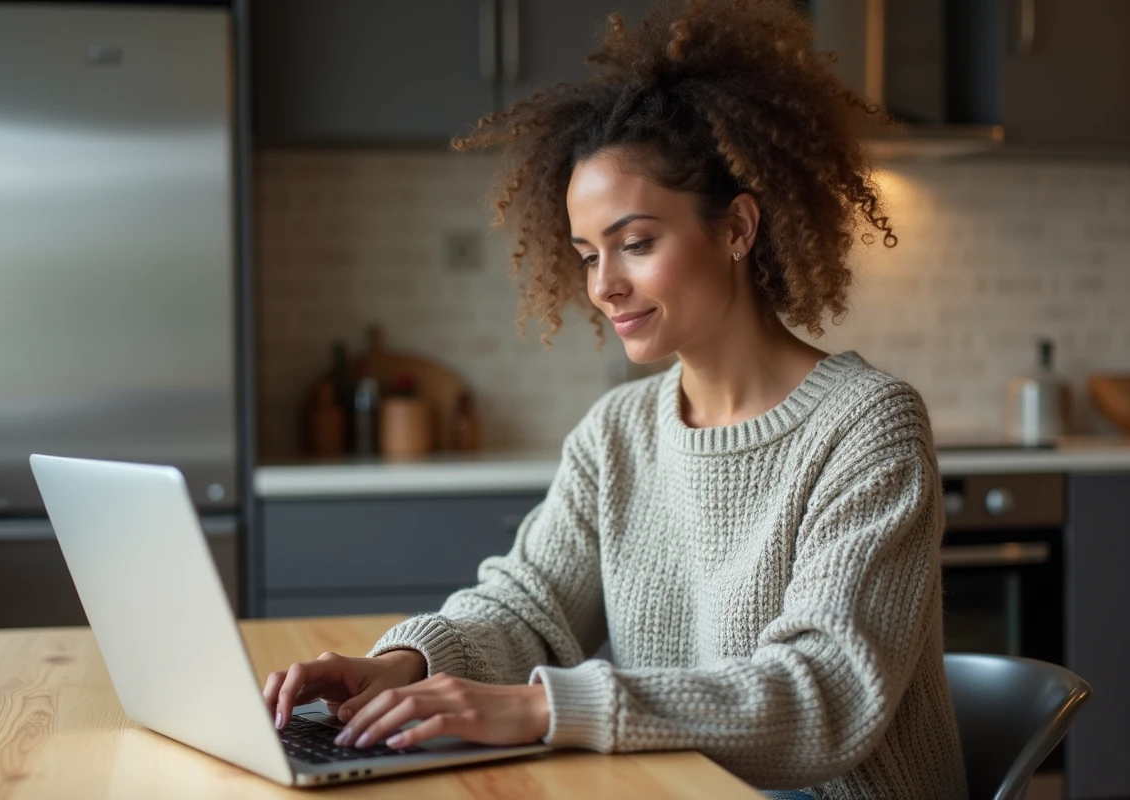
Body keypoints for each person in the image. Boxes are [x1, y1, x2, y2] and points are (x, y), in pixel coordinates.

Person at [263, 0, 968, 797]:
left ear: (737, 228)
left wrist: (540, 707)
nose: (605, 286)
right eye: (588, 253)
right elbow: (528, 610)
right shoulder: (619, 431)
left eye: (636, 243)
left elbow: (825, 699)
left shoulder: (867, 425)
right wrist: (396, 666)